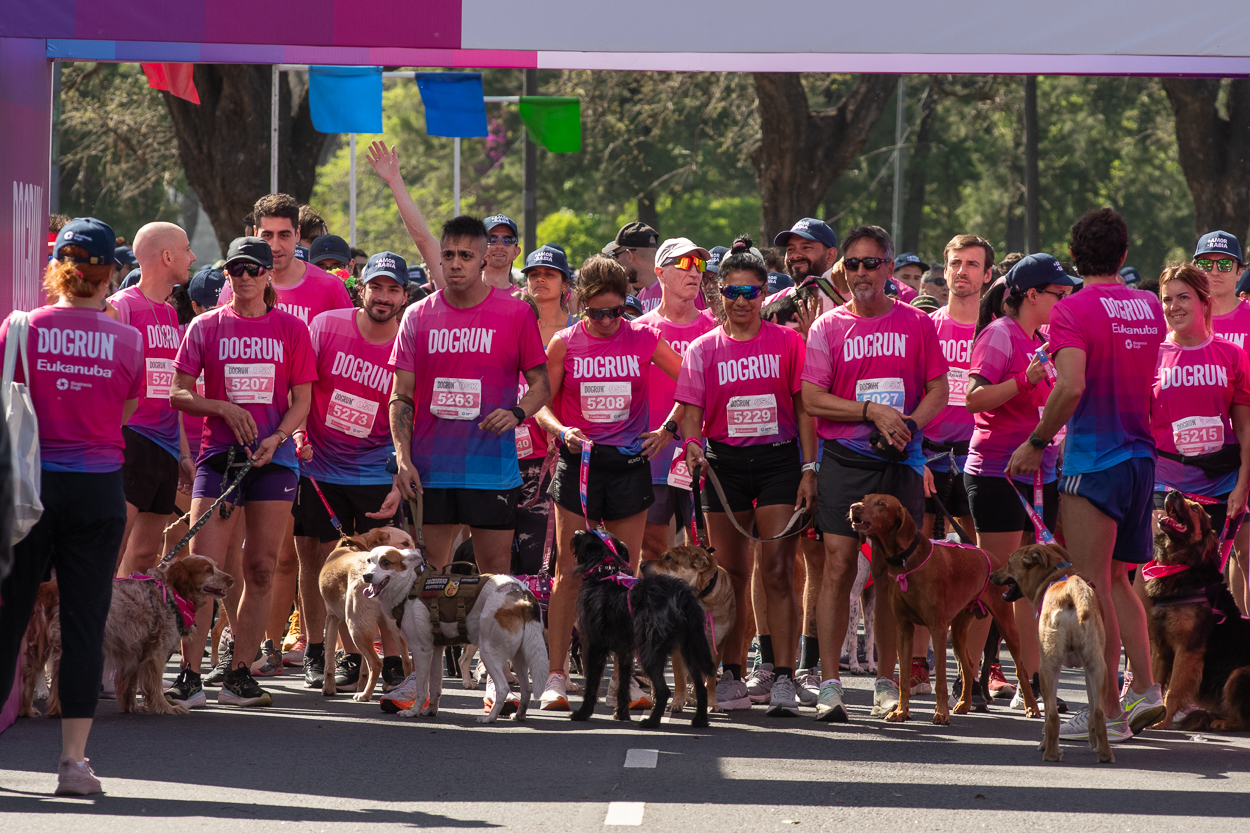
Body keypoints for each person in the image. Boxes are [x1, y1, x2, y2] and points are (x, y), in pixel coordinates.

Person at [1006, 208, 1166, 743]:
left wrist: (1034, 442)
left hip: (1094, 462)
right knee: (1120, 580)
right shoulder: (1148, 305)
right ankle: (1144, 689)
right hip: (1142, 458)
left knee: (1092, 585)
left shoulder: (1072, 309)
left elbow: (1069, 385)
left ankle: (1109, 713)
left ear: (1074, 258)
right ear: (1123, 256)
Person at [0, 217, 143, 795]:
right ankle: (72, 764)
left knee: (9, 618)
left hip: (26, 488)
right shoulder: (129, 338)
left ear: (57, 266)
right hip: (98, 489)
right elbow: (128, 412)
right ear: (111, 270)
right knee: (84, 625)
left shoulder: (20, 328)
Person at [800, 224, 949, 722]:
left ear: (889, 268)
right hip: (846, 458)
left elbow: (937, 390)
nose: (861, 273)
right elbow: (813, 398)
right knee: (839, 565)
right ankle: (830, 684)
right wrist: (869, 411)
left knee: (890, 572)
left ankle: (888, 681)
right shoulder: (827, 327)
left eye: (871, 263)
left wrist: (908, 425)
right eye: (852, 265)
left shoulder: (917, 324)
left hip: (897, 461)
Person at [165, 236, 316, 709]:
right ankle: (190, 675)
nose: (244, 277)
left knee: (262, 568)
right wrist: (224, 408)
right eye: (236, 269)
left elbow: (303, 401)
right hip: (219, 458)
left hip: (273, 459)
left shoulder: (292, 329)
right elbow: (178, 393)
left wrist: (277, 439)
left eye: (254, 269)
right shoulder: (206, 326)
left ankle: (240, 672)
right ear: (226, 274)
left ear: (269, 273)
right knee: (200, 570)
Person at [535, 255, 684, 711]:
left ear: (627, 306)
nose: (604, 321)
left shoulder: (643, 338)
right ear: (580, 305)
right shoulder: (564, 343)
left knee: (626, 575)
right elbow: (539, 402)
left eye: (614, 312)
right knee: (569, 572)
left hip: (627, 465)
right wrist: (562, 432)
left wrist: (668, 430)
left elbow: (692, 383)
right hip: (579, 465)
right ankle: (556, 676)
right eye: (595, 312)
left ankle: (627, 678)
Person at [678, 247, 816, 716]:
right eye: (732, 292)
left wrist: (809, 468)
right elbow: (691, 413)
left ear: (763, 294)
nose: (741, 301)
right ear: (719, 295)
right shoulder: (702, 349)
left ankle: (782, 675)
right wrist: (692, 444)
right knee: (731, 577)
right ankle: (731, 674)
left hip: (779, 461)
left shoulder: (787, 343)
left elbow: (803, 410)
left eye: (750, 292)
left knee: (777, 569)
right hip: (724, 466)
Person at [388, 216, 551, 577]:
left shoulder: (516, 314)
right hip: (430, 472)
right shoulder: (417, 316)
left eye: (465, 254)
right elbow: (401, 396)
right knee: (429, 575)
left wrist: (517, 413)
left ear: (484, 259)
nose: (456, 263)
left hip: (491, 471)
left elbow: (541, 385)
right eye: (448, 254)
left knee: (495, 576)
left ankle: (482, 638)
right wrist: (403, 458)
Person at [291, 252, 410, 689]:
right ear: (361, 288)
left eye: (393, 289)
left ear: (404, 296)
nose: (383, 296)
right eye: (376, 287)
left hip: (376, 471)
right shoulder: (326, 326)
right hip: (320, 466)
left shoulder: (407, 340)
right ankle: (332, 653)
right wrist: (299, 433)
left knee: (383, 571)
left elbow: (410, 412)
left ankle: (392, 659)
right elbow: (300, 385)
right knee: (324, 564)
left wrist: (400, 474)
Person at [964, 254, 1078, 709]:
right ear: (1032, 294)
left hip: (1041, 472)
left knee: (1036, 582)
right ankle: (968, 679)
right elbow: (973, 400)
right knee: (993, 581)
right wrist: (1021, 380)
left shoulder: (1044, 338)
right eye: (1058, 293)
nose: (1065, 300)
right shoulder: (998, 335)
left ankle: (1033, 681)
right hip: (997, 473)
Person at [903, 235, 995, 696]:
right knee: (921, 563)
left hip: (979, 456)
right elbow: (912, 397)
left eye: (972, 265)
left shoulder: (994, 330)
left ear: (988, 275)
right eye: (955, 263)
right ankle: (917, 663)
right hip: (931, 455)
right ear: (944, 269)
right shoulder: (926, 326)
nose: (962, 272)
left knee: (978, 566)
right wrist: (915, 456)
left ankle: (971, 671)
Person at [112, 222, 197, 578]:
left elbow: (170, 388)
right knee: (114, 544)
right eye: (186, 249)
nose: (192, 257)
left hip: (164, 445)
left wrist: (183, 452)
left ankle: (123, 627)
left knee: (146, 554)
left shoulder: (168, 313)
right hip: (132, 438)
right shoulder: (123, 306)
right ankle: (95, 627)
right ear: (166, 257)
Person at [1151, 262, 1250, 559]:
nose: (1174, 307)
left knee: (1243, 560)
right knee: (1163, 572)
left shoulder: (1231, 354)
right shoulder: (1152, 357)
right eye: (1167, 299)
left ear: (1203, 302)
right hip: (1166, 482)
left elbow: (1245, 427)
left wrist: (1243, 482)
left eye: (1183, 297)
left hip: (1224, 483)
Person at [635, 237, 718, 564]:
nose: (694, 271)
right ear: (660, 272)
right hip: (653, 456)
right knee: (654, 553)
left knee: (708, 554)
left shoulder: (715, 328)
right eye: (683, 264)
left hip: (704, 455)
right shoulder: (640, 329)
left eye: (698, 264)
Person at [1194, 231, 1250, 612]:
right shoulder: (1186, 317)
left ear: (1239, 271)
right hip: (1197, 457)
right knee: (1212, 555)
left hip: (1244, 447)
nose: (1215, 271)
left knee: (1245, 554)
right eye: (1205, 264)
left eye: (1224, 264)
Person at [367, 141, 449, 291]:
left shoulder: (506, 301)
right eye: (493, 239)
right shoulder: (459, 291)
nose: (499, 245)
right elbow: (422, 239)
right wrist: (394, 180)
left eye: (507, 239)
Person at [776, 218, 843, 314]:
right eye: (790, 249)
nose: (795, 255)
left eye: (806, 248)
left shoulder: (850, 302)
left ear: (830, 255)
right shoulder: (770, 303)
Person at [602, 222, 661, 310]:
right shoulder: (641, 297)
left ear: (629, 255)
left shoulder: (674, 292)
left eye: (617, 256)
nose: (617, 263)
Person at [482, 214, 522, 291]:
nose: (500, 245)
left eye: (508, 240)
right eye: (491, 239)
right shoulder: (460, 297)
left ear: (516, 252)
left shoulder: (523, 300)